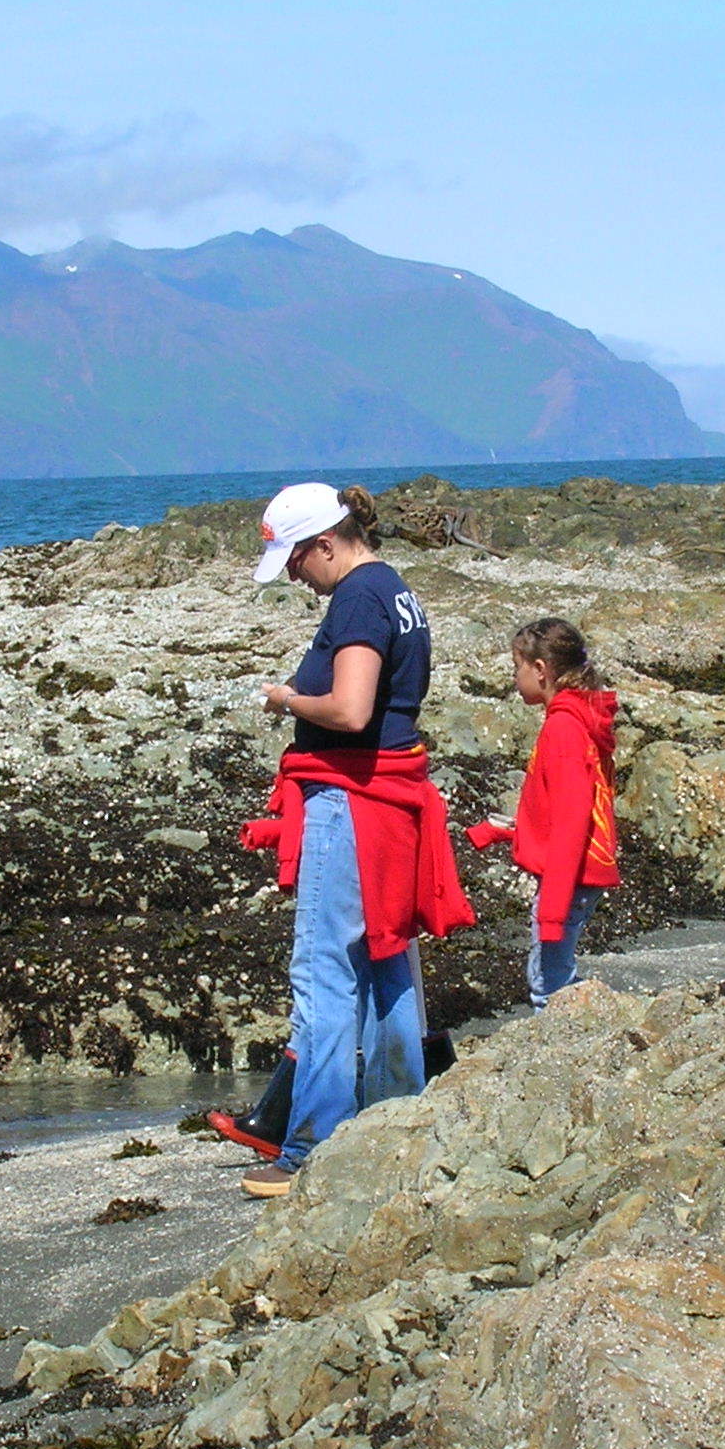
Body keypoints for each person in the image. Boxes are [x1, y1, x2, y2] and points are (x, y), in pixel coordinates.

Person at [227, 482, 473, 1197]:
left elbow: (351, 706)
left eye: (297, 562)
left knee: (328, 970)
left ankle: (311, 1147)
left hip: (352, 800)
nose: (297, 578)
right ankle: (397, 1120)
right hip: (393, 801)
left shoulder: (359, 599)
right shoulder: (397, 591)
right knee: (388, 956)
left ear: (325, 543)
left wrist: (286, 699)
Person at [467, 617, 620, 1007]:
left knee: (547, 983)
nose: (514, 678)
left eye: (516, 667)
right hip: (574, 873)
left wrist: (552, 908)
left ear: (540, 669)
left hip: (569, 878)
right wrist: (501, 832)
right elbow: (556, 810)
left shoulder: (564, 729)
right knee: (554, 973)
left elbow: (572, 819)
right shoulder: (571, 720)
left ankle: (567, 1057)